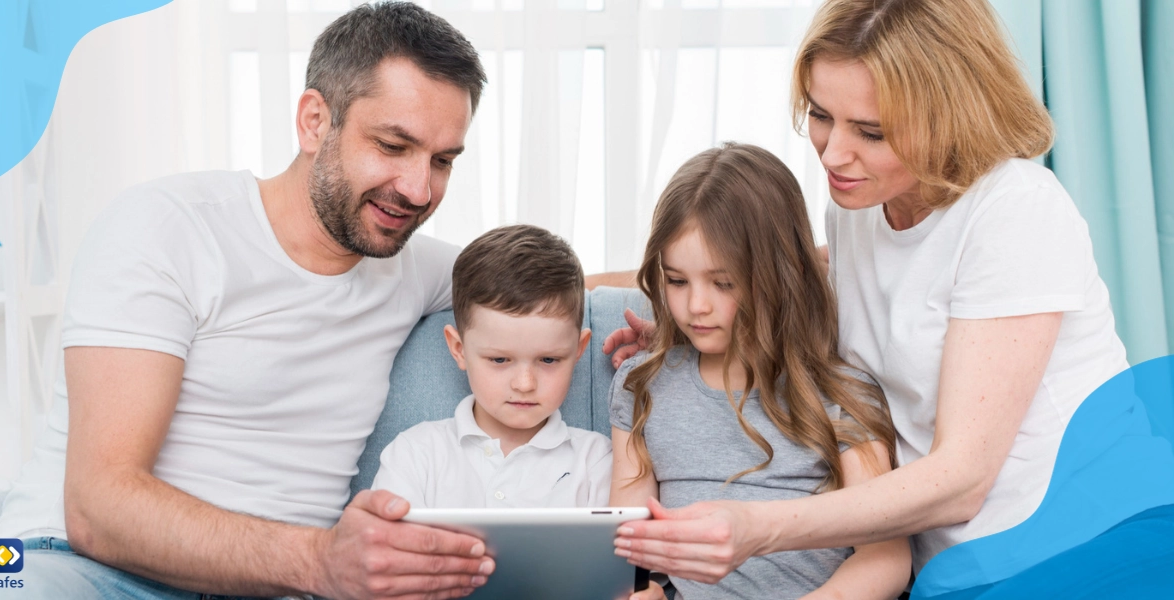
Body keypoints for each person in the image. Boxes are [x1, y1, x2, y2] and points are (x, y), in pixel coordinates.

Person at [600, 0, 1174, 596]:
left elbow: (962, 479)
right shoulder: (859, 208)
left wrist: (756, 528)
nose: (832, 153)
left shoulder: (1015, 210)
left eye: (870, 131)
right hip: (962, 567)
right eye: (822, 115)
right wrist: (676, 319)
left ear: (949, 115)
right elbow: (769, 269)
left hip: (1088, 542)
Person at [0, 3, 501, 599]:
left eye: (442, 161)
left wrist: (636, 322)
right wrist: (319, 562)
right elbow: (99, 506)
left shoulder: (416, 268)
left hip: (267, 589)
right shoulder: (166, 228)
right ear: (313, 121)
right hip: (77, 569)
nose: (418, 189)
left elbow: (556, 284)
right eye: (391, 145)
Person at [609, 143, 910, 600]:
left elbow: (885, 559)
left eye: (723, 282)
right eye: (677, 280)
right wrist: (639, 590)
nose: (696, 306)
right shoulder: (641, 385)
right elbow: (629, 549)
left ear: (777, 274)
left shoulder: (843, 394)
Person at [371, 224, 612, 509]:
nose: (524, 384)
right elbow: (383, 549)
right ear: (459, 349)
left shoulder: (595, 460)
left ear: (578, 350)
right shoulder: (416, 454)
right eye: (500, 360)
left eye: (548, 360)